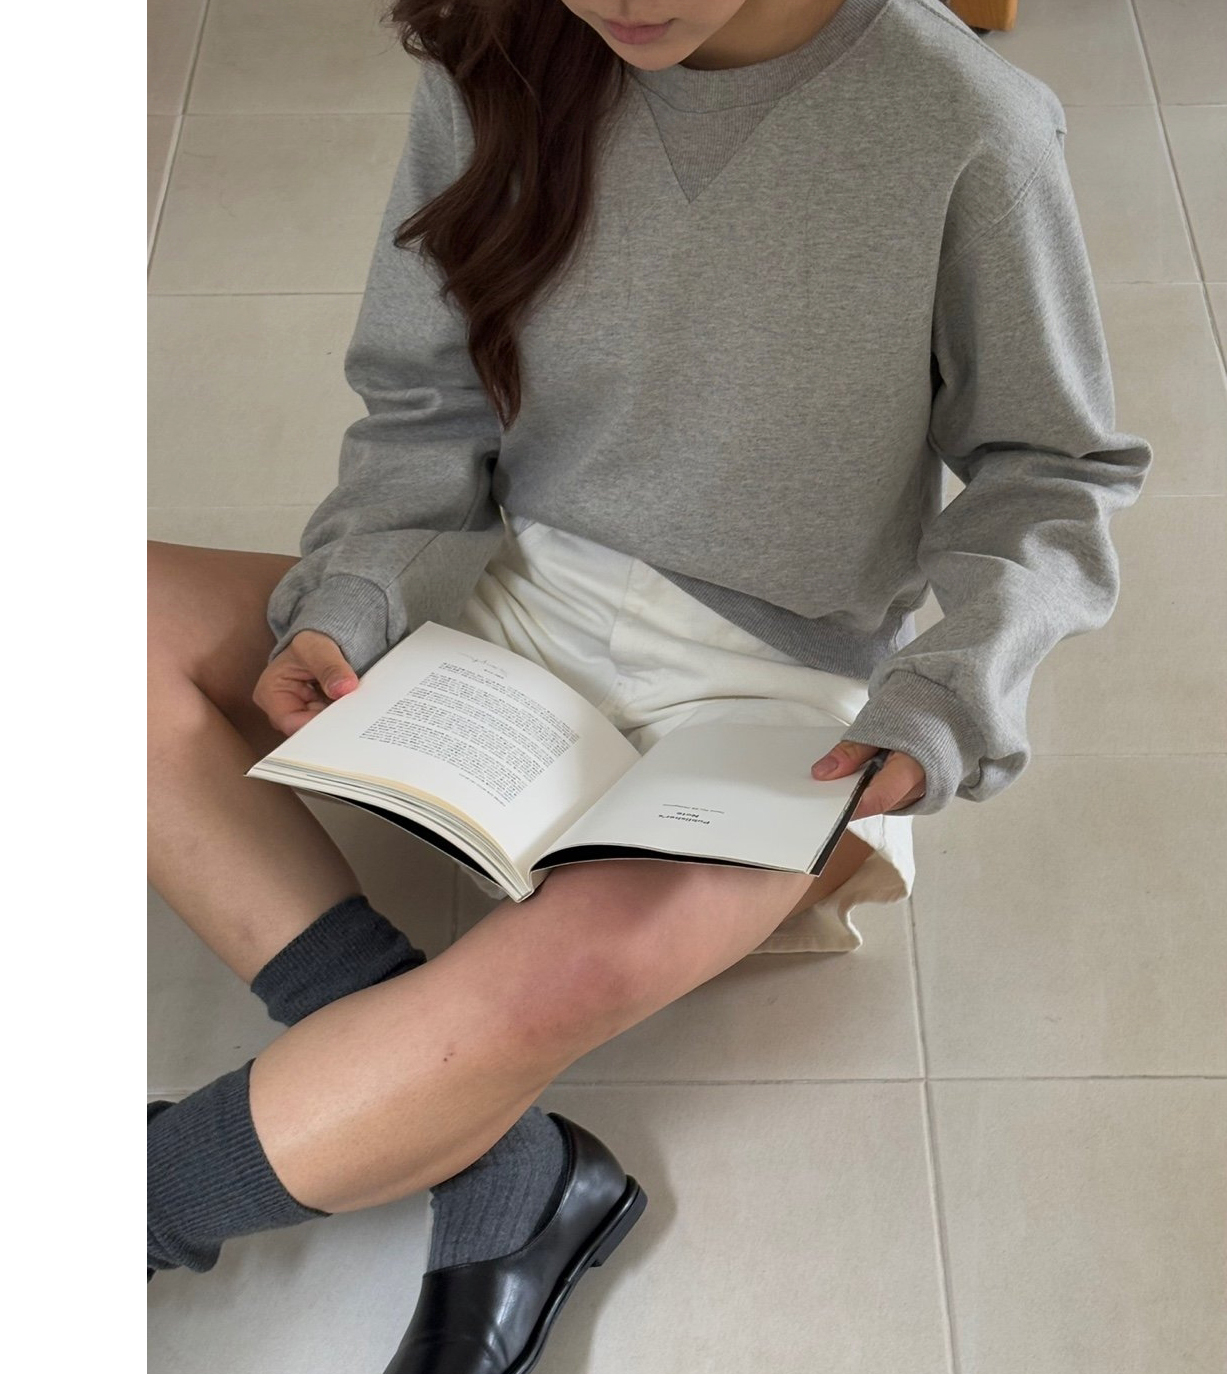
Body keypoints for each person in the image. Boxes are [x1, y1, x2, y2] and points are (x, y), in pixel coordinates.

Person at [146, 0, 1152, 1369]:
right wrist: (354, 598)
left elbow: (1051, 471)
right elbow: (426, 396)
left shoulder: (965, 123)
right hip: (501, 587)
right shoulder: (499, 49)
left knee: (565, 972)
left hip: (771, 694)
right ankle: (500, 1160)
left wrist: (947, 696)